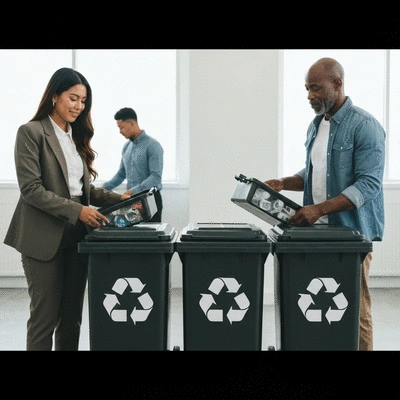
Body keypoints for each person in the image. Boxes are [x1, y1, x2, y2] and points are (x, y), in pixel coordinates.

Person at [3, 67, 132, 351]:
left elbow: (84, 191)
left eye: (83, 101)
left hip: (76, 236)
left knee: (71, 318)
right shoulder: (31, 132)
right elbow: (31, 190)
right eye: (73, 98)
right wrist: (78, 210)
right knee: (44, 319)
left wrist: (121, 199)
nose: (78, 106)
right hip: (41, 238)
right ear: (54, 96)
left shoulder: (75, 137)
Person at [264, 57, 385, 351]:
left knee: (355, 311)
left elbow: (369, 184)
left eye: (315, 88)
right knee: (318, 306)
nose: (309, 96)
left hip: (351, 236)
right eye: (307, 89)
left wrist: (319, 209)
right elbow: (316, 173)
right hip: (316, 234)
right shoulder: (316, 126)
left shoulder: (365, 126)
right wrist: (284, 183)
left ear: (337, 84)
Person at [102, 107, 164, 222]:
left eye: (121, 127)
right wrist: (102, 188)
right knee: (133, 237)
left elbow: (155, 178)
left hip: (150, 199)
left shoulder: (153, 146)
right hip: (132, 200)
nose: (120, 131)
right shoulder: (126, 147)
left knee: (149, 238)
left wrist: (133, 191)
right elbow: (121, 174)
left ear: (132, 123)